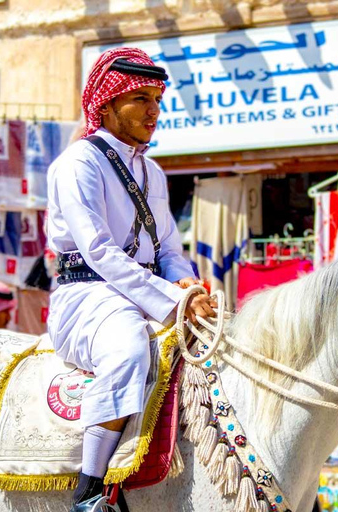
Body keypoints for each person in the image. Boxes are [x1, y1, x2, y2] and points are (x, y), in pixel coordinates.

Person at [46, 47, 217, 512]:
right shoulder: (79, 163)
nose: (153, 110)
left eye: (157, 98)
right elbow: (98, 251)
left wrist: (188, 288)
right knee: (127, 351)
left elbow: (169, 251)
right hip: (88, 296)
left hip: (146, 293)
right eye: (139, 98)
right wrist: (171, 301)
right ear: (105, 104)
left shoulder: (153, 171)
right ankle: (90, 490)